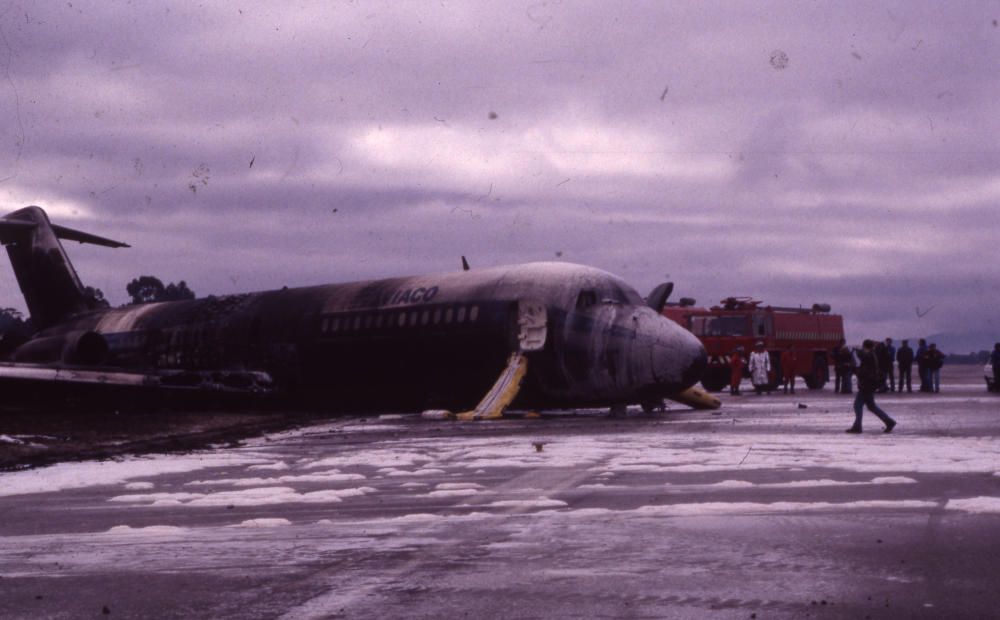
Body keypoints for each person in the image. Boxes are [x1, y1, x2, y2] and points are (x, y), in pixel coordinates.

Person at [846, 339, 897, 434]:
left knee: (858, 405)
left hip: (867, 384)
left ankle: (857, 426)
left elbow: (864, 358)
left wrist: (857, 351)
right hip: (869, 384)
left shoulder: (870, 355)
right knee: (871, 406)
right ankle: (889, 421)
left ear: (865, 346)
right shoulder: (873, 354)